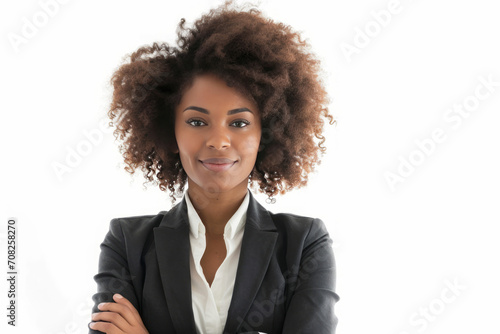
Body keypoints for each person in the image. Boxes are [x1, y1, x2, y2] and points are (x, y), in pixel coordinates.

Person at [88, 1, 339, 333]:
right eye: (196, 121)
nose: (218, 140)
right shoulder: (127, 243)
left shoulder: (304, 244)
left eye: (238, 123)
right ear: (169, 130)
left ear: (267, 132)